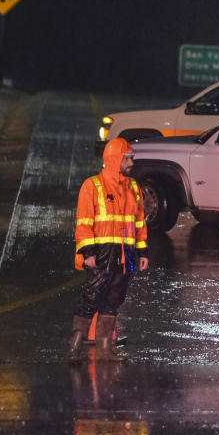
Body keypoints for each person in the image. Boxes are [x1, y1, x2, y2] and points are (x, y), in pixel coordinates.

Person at [68, 137, 149, 361]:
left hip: (126, 255)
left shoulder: (133, 187)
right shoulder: (92, 185)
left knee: (113, 302)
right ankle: (74, 348)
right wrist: (88, 253)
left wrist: (142, 253)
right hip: (102, 254)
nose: (132, 162)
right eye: (128, 158)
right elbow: (84, 223)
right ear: (116, 159)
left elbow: (139, 223)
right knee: (91, 299)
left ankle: (105, 350)